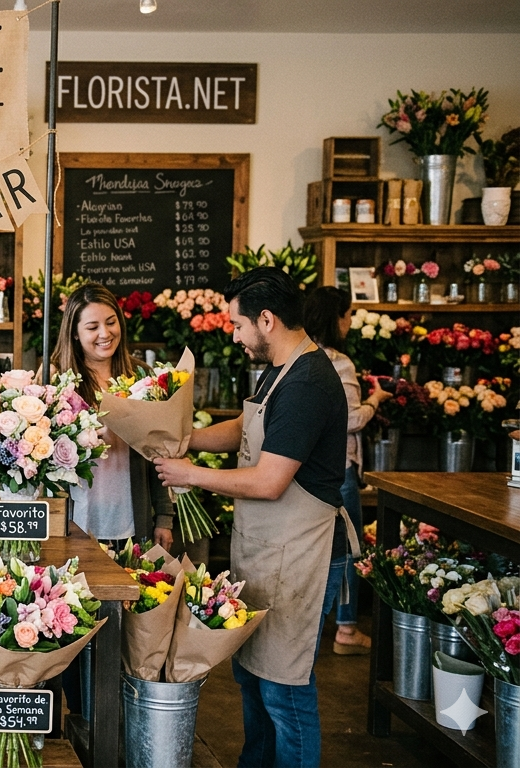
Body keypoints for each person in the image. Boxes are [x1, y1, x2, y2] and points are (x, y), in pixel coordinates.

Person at [154, 268, 355, 768]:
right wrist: (182, 440)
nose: (235, 335)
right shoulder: (281, 369)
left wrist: (192, 474)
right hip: (269, 553)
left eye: (239, 325)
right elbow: (247, 429)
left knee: (285, 692)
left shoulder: (309, 380)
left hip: (302, 556)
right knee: (251, 678)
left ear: (267, 319)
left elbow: (269, 480)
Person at [302, 286, 392, 655]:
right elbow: (351, 420)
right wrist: (376, 398)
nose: (351, 321)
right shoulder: (338, 362)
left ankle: (314, 626)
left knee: (316, 550)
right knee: (348, 548)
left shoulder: (299, 358)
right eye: (348, 314)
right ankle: (348, 628)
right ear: (335, 318)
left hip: (305, 473)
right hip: (339, 471)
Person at [51, 283, 174, 547]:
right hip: (77, 518)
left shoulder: (142, 376)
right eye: (92, 327)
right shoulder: (57, 380)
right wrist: (82, 441)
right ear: (74, 333)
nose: (105, 334)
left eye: (110, 322)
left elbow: (159, 453)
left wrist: (164, 517)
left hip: (131, 518)